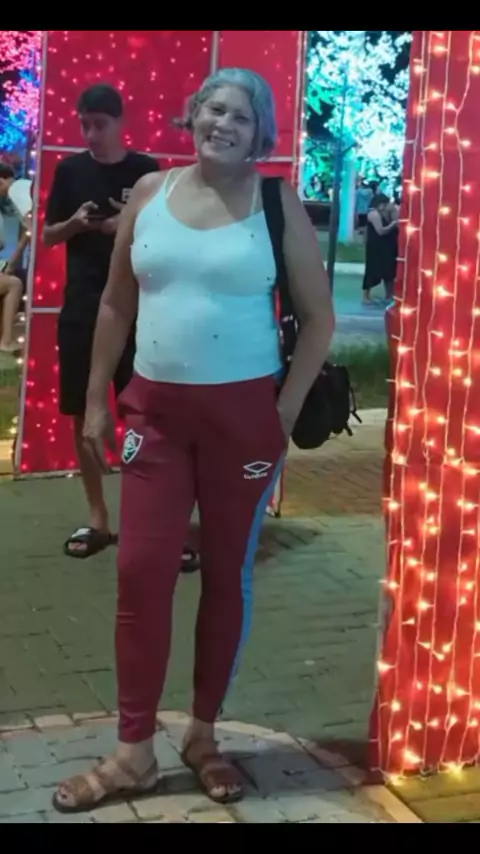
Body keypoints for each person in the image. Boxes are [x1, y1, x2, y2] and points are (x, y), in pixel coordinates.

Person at [52, 67, 334, 813]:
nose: (223, 123)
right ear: (193, 115)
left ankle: (202, 734)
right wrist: (97, 400)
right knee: (140, 572)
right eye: (214, 108)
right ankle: (134, 751)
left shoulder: (275, 202)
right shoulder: (150, 193)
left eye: (241, 115)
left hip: (244, 423)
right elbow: (116, 303)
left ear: (260, 133)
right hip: (156, 418)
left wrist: (281, 415)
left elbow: (319, 320)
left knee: (225, 577)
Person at [43, 83, 199, 570]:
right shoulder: (70, 171)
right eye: (84, 125)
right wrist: (76, 224)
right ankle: (98, 518)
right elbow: (47, 236)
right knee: (82, 413)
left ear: (119, 122)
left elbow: (167, 235)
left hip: (139, 309)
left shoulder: (146, 171)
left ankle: (149, 522)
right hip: (83, 308)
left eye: (99, 125)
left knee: (146, 417)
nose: (91, 134)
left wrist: (124, 227)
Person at [0, 163, 31, 353]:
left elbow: (31, 225)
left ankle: (6, 338)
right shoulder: (22, 188)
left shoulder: (17, 190)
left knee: (15, 280)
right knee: (15, 282)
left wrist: (13, 260)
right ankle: (6, 340)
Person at [362, 193, 399, 305]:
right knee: (372, 269)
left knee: (388, 271)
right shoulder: (374, 214)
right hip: (376, 246)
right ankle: (366, 296)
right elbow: (380, 231)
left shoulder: (386, 213)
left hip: (386, 246)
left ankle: (389, 294)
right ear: (381, 204)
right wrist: (393, 224)